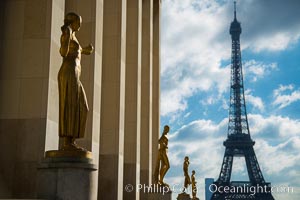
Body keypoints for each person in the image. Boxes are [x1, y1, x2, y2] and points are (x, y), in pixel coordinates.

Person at [58, 12, 94, 150]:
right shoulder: (67, 33)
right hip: (68, 73)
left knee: (82, 107)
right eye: (78, 22)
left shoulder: (74, 36)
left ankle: (71, 140)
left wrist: (85, 50)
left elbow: (76, 51)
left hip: (75, 75)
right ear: (72, 22)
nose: (80, 25)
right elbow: (63, 52)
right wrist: (65, 37)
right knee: (70, 105)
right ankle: (68, 143)